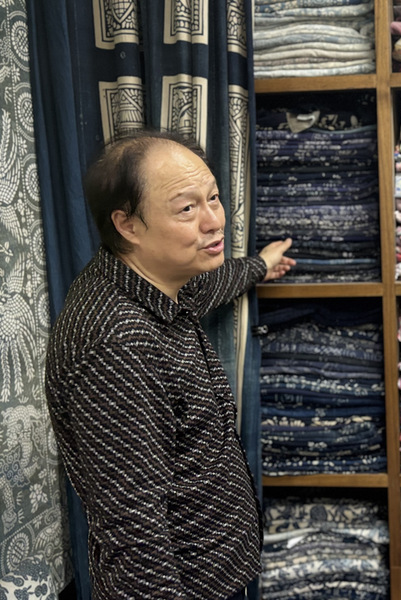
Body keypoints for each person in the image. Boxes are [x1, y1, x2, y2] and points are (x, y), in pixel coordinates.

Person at [45, 130, 295, 599]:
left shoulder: (154, 281)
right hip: (188, 586)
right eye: (186, 209)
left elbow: (208, 288)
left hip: (220, 567)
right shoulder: (117, 344)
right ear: (128, 225)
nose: (214, 221)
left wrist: (259, 265)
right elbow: (134, 533)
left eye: (213, 198)